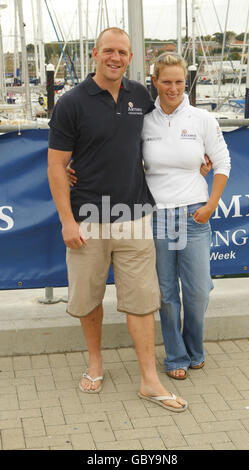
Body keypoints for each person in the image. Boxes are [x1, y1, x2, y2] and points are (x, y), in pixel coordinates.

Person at [47, 27, 188, 412]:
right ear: (95, 54)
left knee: (142, 302)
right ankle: (95, 363)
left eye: (122, 52)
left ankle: (148, 380)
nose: (115, 57)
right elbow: (57, 165)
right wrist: (66, 221)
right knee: (89, 299)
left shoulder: (140, 94)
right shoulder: (72, 103)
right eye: (108, 50)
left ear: (130, 58)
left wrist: (199, 159)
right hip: (87, 218)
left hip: (135, 216)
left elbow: (168, 128)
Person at [141, 52, 231, 379]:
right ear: (155, 82)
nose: (173, 88)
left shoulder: (202, 119)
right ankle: (176, 356)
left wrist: (211, 206)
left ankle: (195, 348)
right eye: (166, 81)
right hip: (159, 216)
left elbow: (222, 164)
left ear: (185, 82)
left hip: (195, 215)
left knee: (197, 291)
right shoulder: (144, 121)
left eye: (179, 81)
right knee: (165, 294)